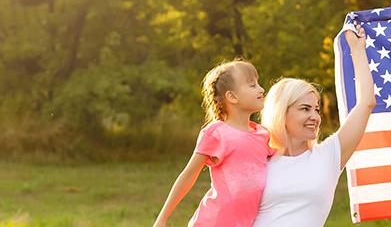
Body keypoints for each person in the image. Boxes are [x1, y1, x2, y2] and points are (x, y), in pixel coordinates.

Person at [252, 25, 376, 226]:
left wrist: (357, 50)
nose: (315, 117)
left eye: (316, 110)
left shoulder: (327, 156)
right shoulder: (257, 160)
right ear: (282, 112)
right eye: (305, 109)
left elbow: (366, 103)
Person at [154, 60, 273, 227]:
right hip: (213, 222)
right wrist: (162, 218)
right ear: (232, 97)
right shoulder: (216, 133)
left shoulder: (263, 135)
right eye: (252, 85)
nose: (261, 89)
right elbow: (188, 176)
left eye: (258, 84)